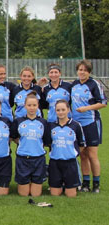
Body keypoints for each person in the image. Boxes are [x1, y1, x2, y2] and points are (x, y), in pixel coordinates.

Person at [70, 60, 107, 193]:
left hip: (90, 122)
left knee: (92, 154)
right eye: (80, 69)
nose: (82, 72)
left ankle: (96, 183)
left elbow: (103, 103)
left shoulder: (93, 84)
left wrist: (86, 108)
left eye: (85, 70)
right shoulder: (74, 84)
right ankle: (85, 183)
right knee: (83, 154)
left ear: (89, 72)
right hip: (77, 124)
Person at [10, 92, 50, 197]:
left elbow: (46, 141)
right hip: (23, 159)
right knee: (24, 194)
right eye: (29, 105)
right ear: (25, 106)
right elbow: (14, 137)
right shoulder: (18, 121)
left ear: (38, 106)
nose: (32, 108)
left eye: (34, 105)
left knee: (35, 194)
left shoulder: (43, 122)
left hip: (38, 159)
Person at [48, 100, 85, 197]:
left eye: (63, 110)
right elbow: (48, 143)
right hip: (55, 162)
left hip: (70, 163)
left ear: (68, 110)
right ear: (55, 111)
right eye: (58, 110)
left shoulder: (76, 125)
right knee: (55, 194)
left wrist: (72, 154)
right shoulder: (51, 126)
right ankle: (60, 185)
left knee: (71, 195)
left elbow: (81, 145)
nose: (61, 112)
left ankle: (68, 184)